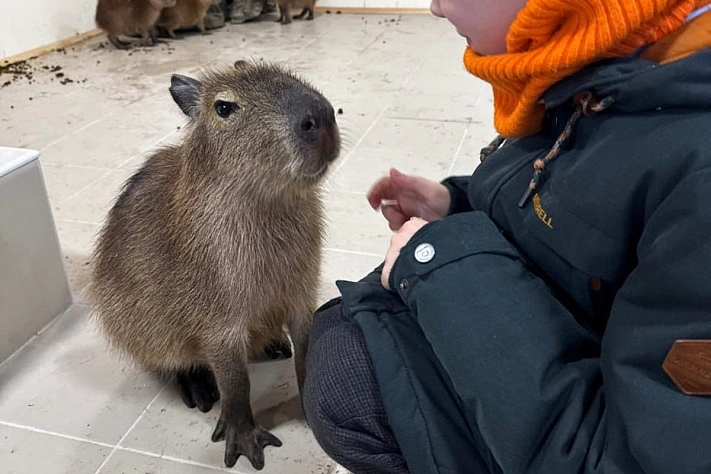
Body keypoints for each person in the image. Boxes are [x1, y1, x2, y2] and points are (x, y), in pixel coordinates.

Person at [302, 0, 711, 473]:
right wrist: (460, 205)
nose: (435, 7)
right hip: (553, 352)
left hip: (582, 441)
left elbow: (631, 459)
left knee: (347, 384)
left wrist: (444, 264)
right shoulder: (606, 65)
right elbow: (575, 208)